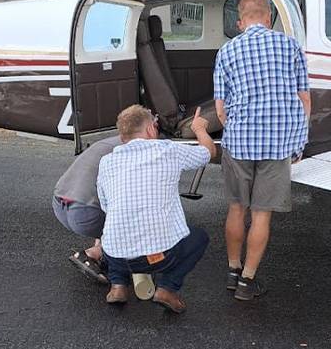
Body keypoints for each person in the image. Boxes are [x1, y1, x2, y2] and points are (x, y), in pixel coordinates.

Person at [213, 0, 311, 301]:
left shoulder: (227, 51)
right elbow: (304, 99)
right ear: (269, 19)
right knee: (261, 215)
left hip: (239, 142)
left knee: (236, 208)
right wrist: (298, 141)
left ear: (240, 22)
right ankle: (247, 282)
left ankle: (232, 270)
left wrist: (236, 131)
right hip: (278, 144)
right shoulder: (290, 46)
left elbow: (220, 107)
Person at [97, 105, 216, 313]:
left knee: (114, 231)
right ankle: (167, 288)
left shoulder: (107, 162)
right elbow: (208, 152)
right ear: (151, 129)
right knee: (199, 238)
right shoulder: (167, 150)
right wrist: (199, 130)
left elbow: (106, 206)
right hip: (159, 256)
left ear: (122, 135)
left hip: (116, 257)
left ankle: (118, 285)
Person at [53, 135, 122, 283]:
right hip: (85, 213)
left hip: (59, 204)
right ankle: (95, 254)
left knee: (103, 198)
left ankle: (102, 250)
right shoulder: (136, 150)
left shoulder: (107, 142)